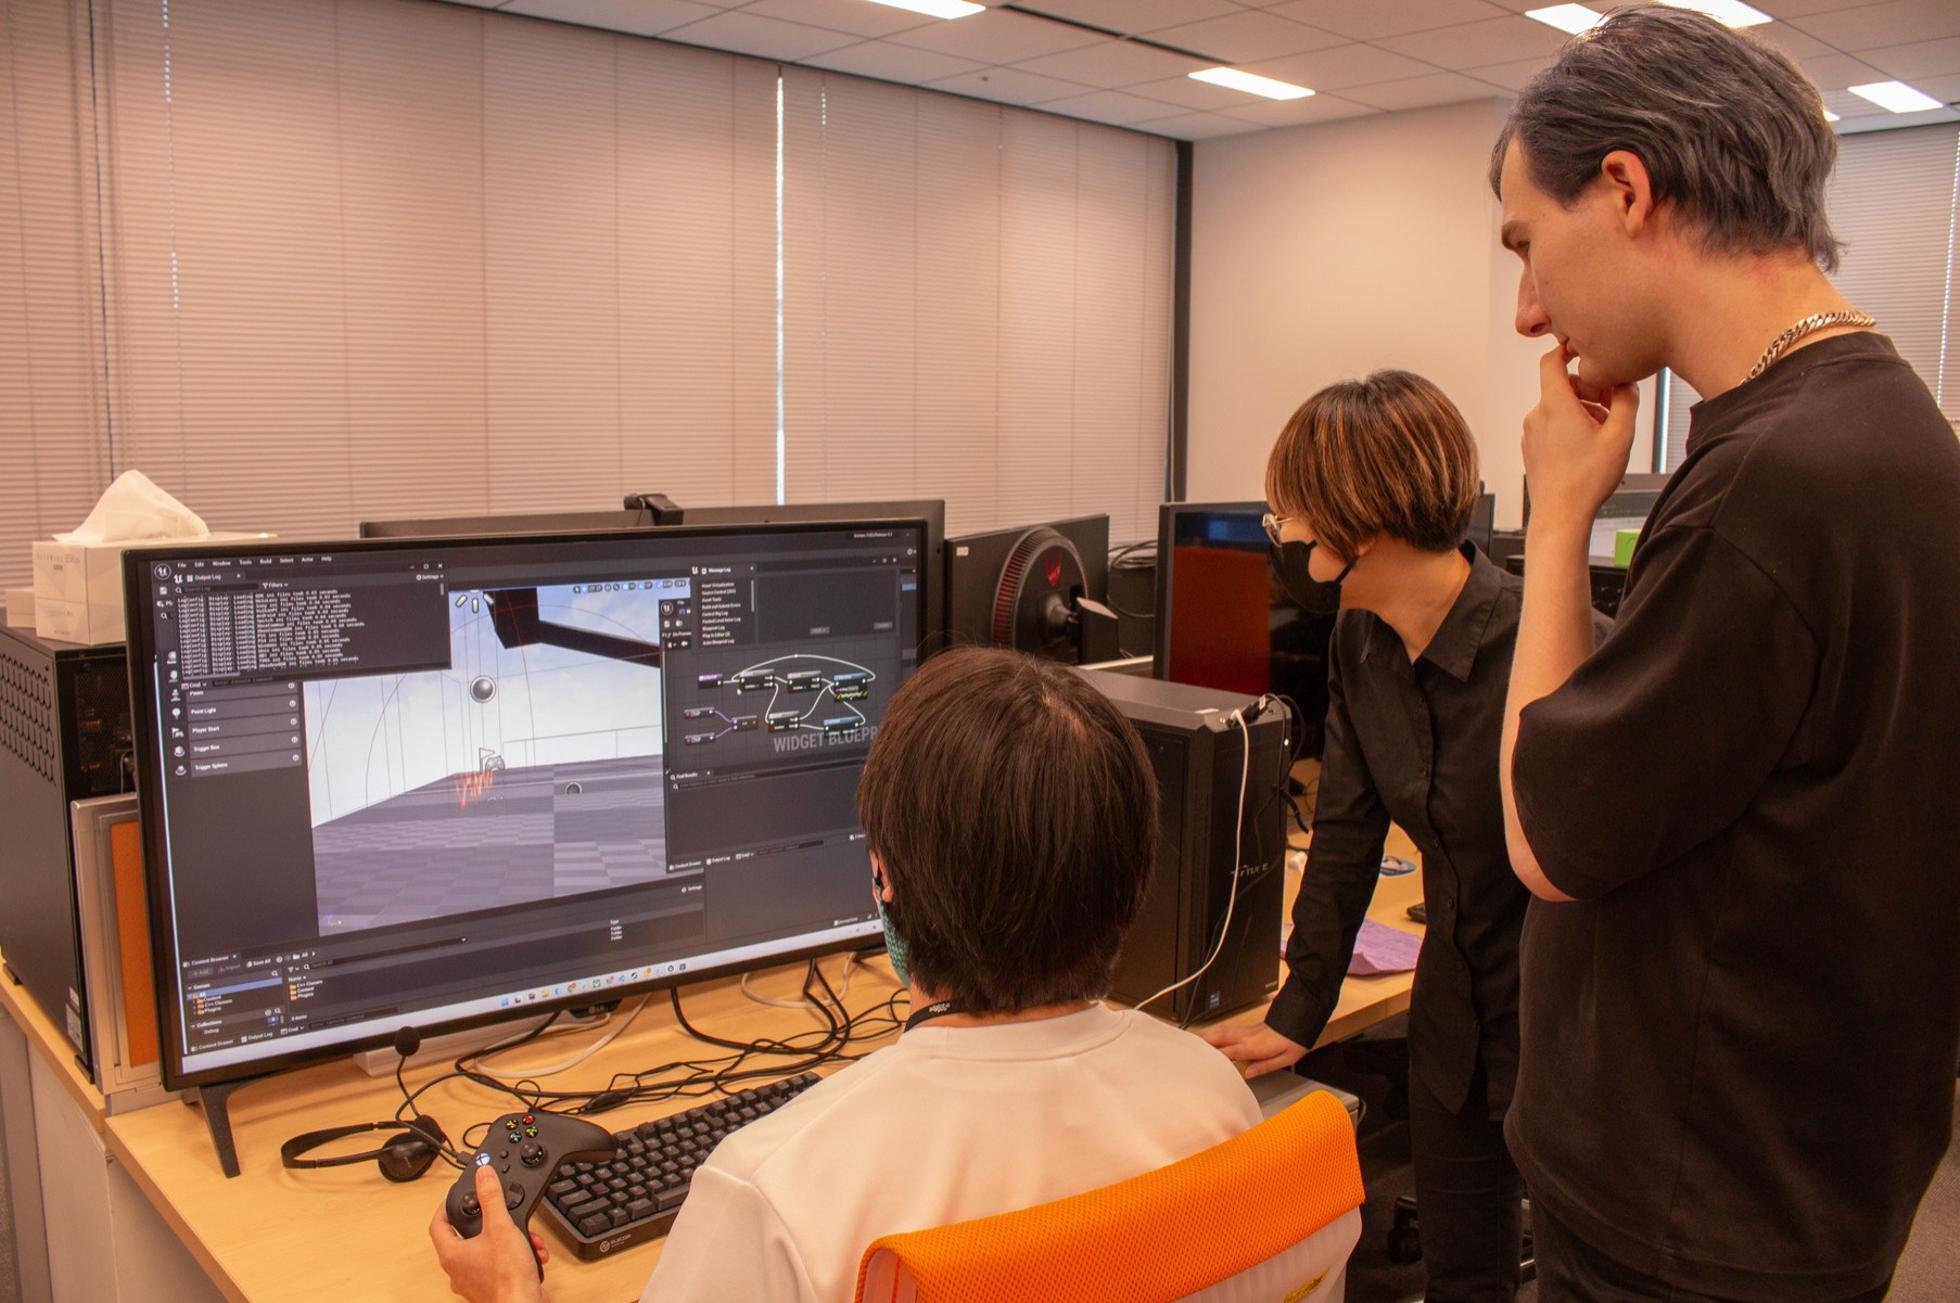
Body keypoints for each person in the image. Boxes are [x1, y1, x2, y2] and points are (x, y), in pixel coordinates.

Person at [1490, 7, 1960, 1299]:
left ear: (1626, 189)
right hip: (1805, 1178)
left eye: (1528, 244)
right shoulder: (1893, 430)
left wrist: (1559, 516)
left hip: (1685, 1212)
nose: (1528, 310)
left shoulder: (1769, 482)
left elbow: (1547, 836)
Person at [432, 647, 1355, 1302]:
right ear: (1135, 877)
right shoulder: (1213, 1097)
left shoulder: (775, 1189)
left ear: (885, 881)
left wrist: (513, 1294)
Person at [1204, 371, 1602, 1302]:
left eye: (1288, 513)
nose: (1279, 533)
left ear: (1362, 525)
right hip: (1453, 1020)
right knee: (1463, 1277)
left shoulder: (1555, 643)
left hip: (1568, 1030)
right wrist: (1299, 1009)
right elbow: (1346, 831)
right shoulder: (1361, 639)